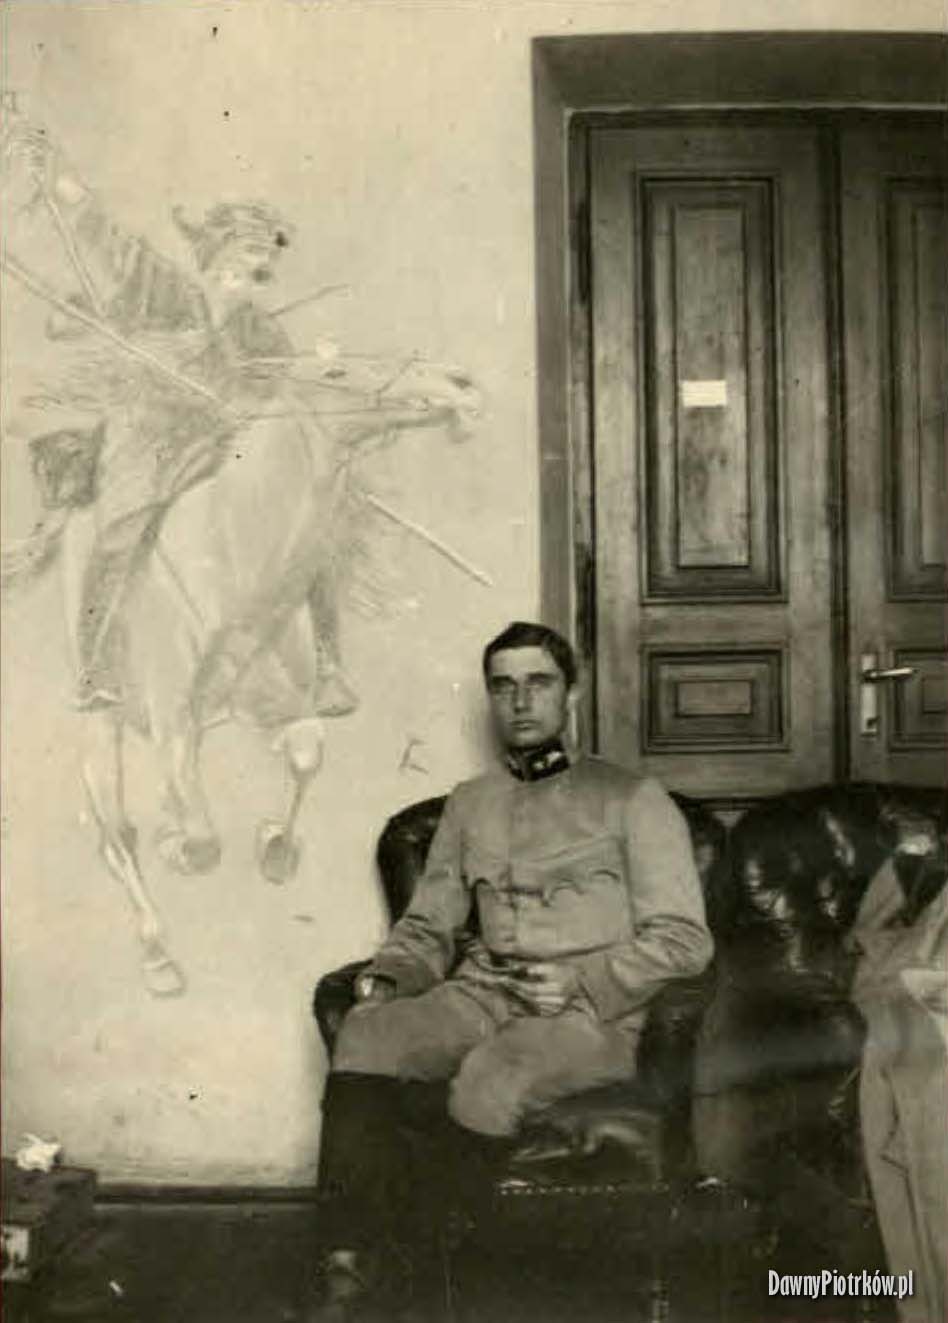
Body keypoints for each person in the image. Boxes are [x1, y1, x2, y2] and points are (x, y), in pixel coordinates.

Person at [307, 621, 713, 1320]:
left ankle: (446, 1288)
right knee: (368, 1034)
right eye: (503, 687)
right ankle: (349, 1274)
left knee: (493, 1075)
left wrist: (583, 981)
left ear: (571, 695)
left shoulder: (634, 799)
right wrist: (389, 978)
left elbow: (683, 939)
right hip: (481, 991)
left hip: (589, 1013)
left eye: (539, 683)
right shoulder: (470, 803)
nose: (520, 701)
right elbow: (428, 925)